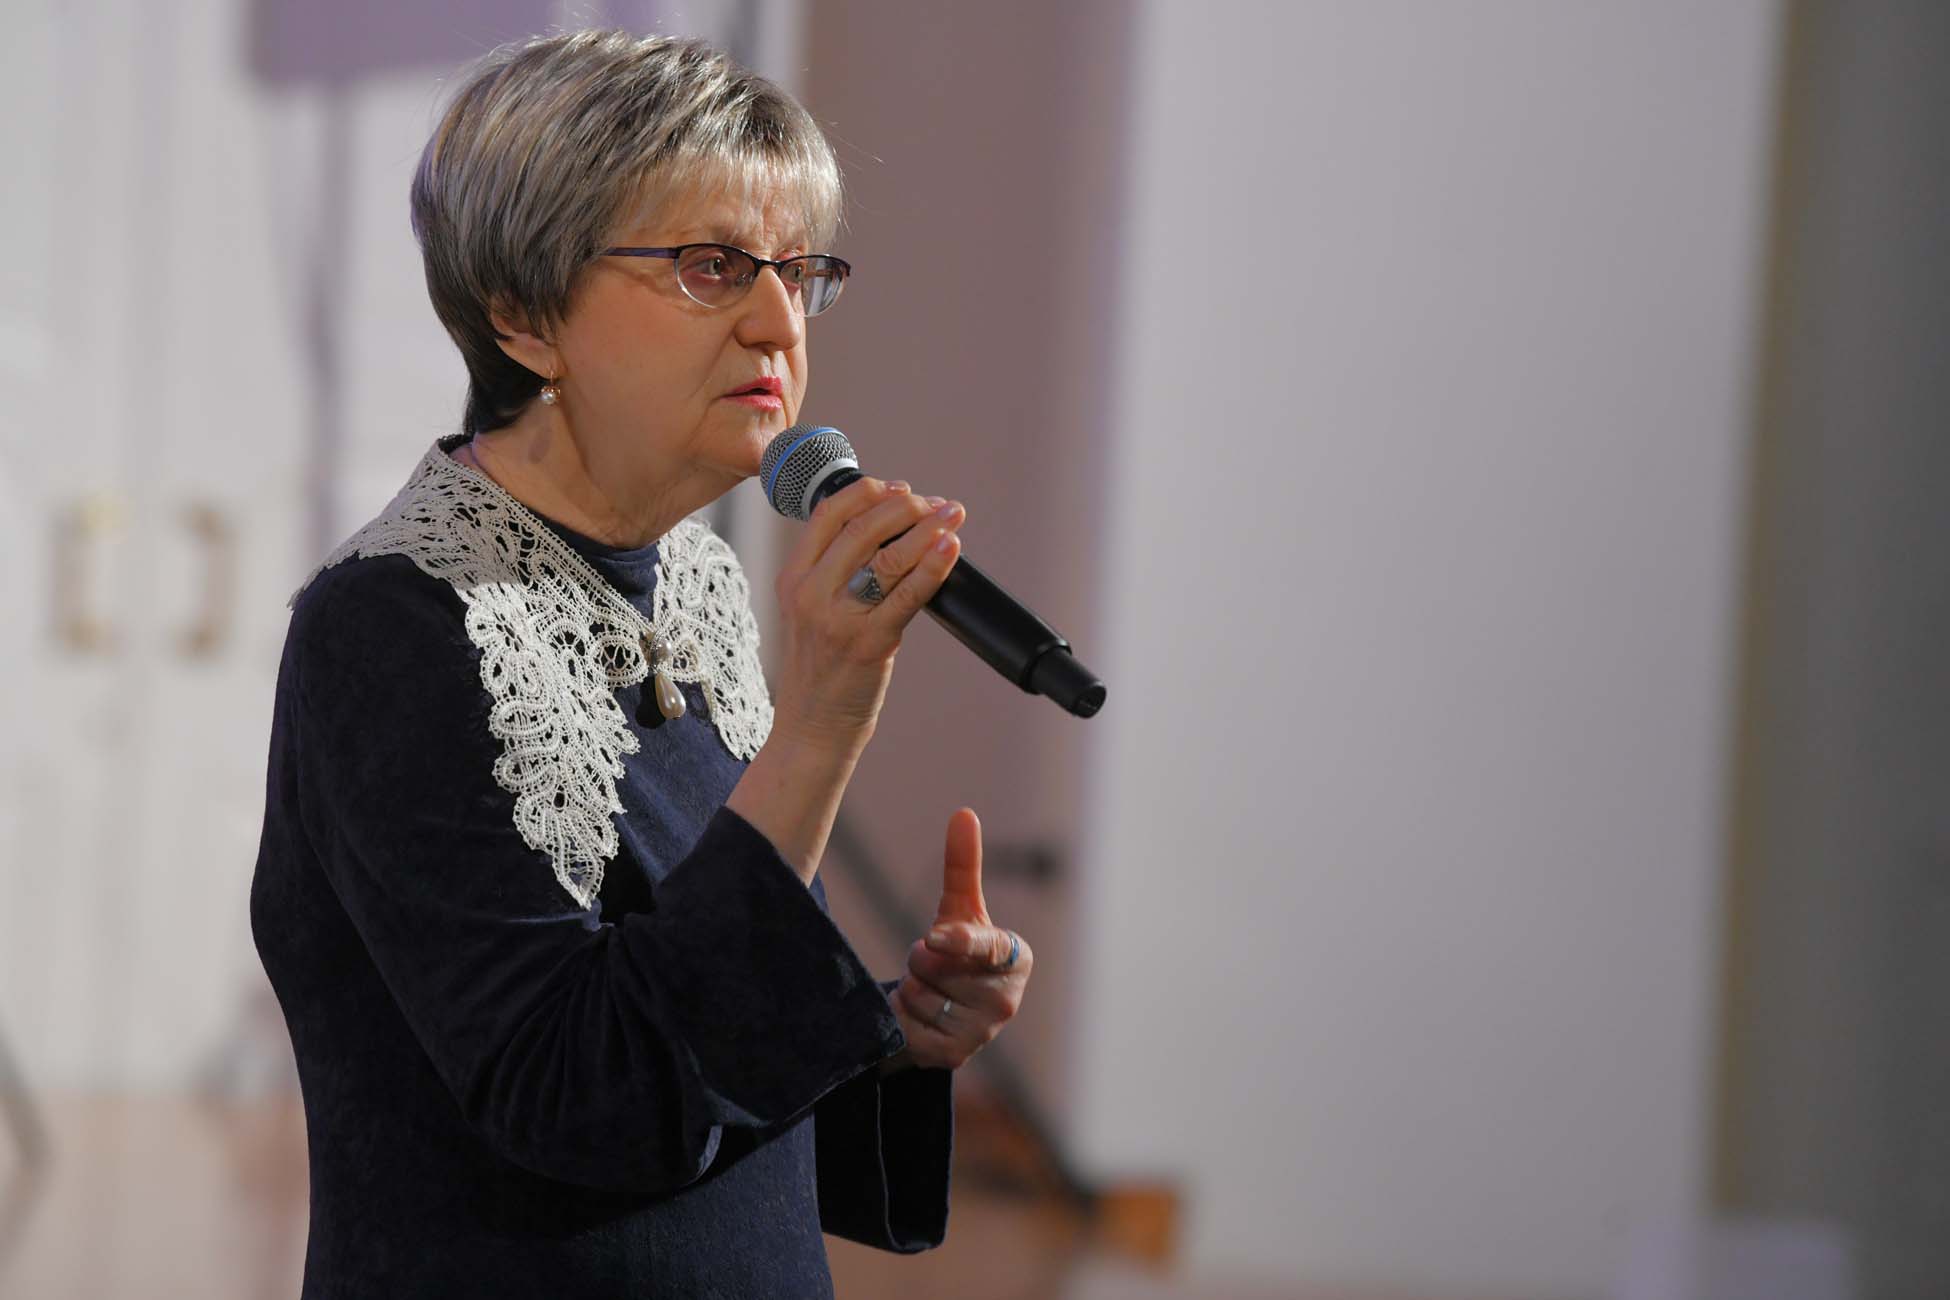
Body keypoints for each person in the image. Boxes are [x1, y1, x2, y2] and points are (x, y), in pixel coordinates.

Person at [249, 30, 1034, 1298]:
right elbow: (584, 1102)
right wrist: (825, 716)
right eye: (712, 267)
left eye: (799, 270)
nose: (778, 322)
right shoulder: (391, 626)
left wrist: (890, 1037)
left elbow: (698, 1042)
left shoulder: (699, 583)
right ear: (523, 313)